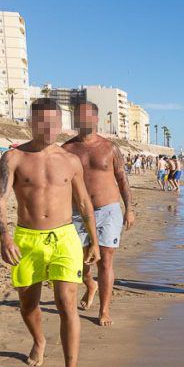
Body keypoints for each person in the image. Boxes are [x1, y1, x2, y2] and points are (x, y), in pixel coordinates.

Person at [0, 98, 100, 367]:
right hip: (27, 239)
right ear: (31, 122)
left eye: (55, 121)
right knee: (29, 305)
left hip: (65, 238)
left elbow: (84, 202)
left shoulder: (70, 160)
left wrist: (92, 239)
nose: (50, 128)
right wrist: (5, 237)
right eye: (43, 121)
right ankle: (39, 341)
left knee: (68, 306)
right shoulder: (13, 158)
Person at [63, 100, 135, 328]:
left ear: (95, 119)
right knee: (81, 261)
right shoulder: (66, 149)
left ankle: (104, 309)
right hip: (78, 212)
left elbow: (122, 179)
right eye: (78, 116)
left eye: (86, 116)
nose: (82, 120)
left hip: (108, 210)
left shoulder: (110, 148)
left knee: (106, 260)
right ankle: (90, 284)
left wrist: (129, 209)